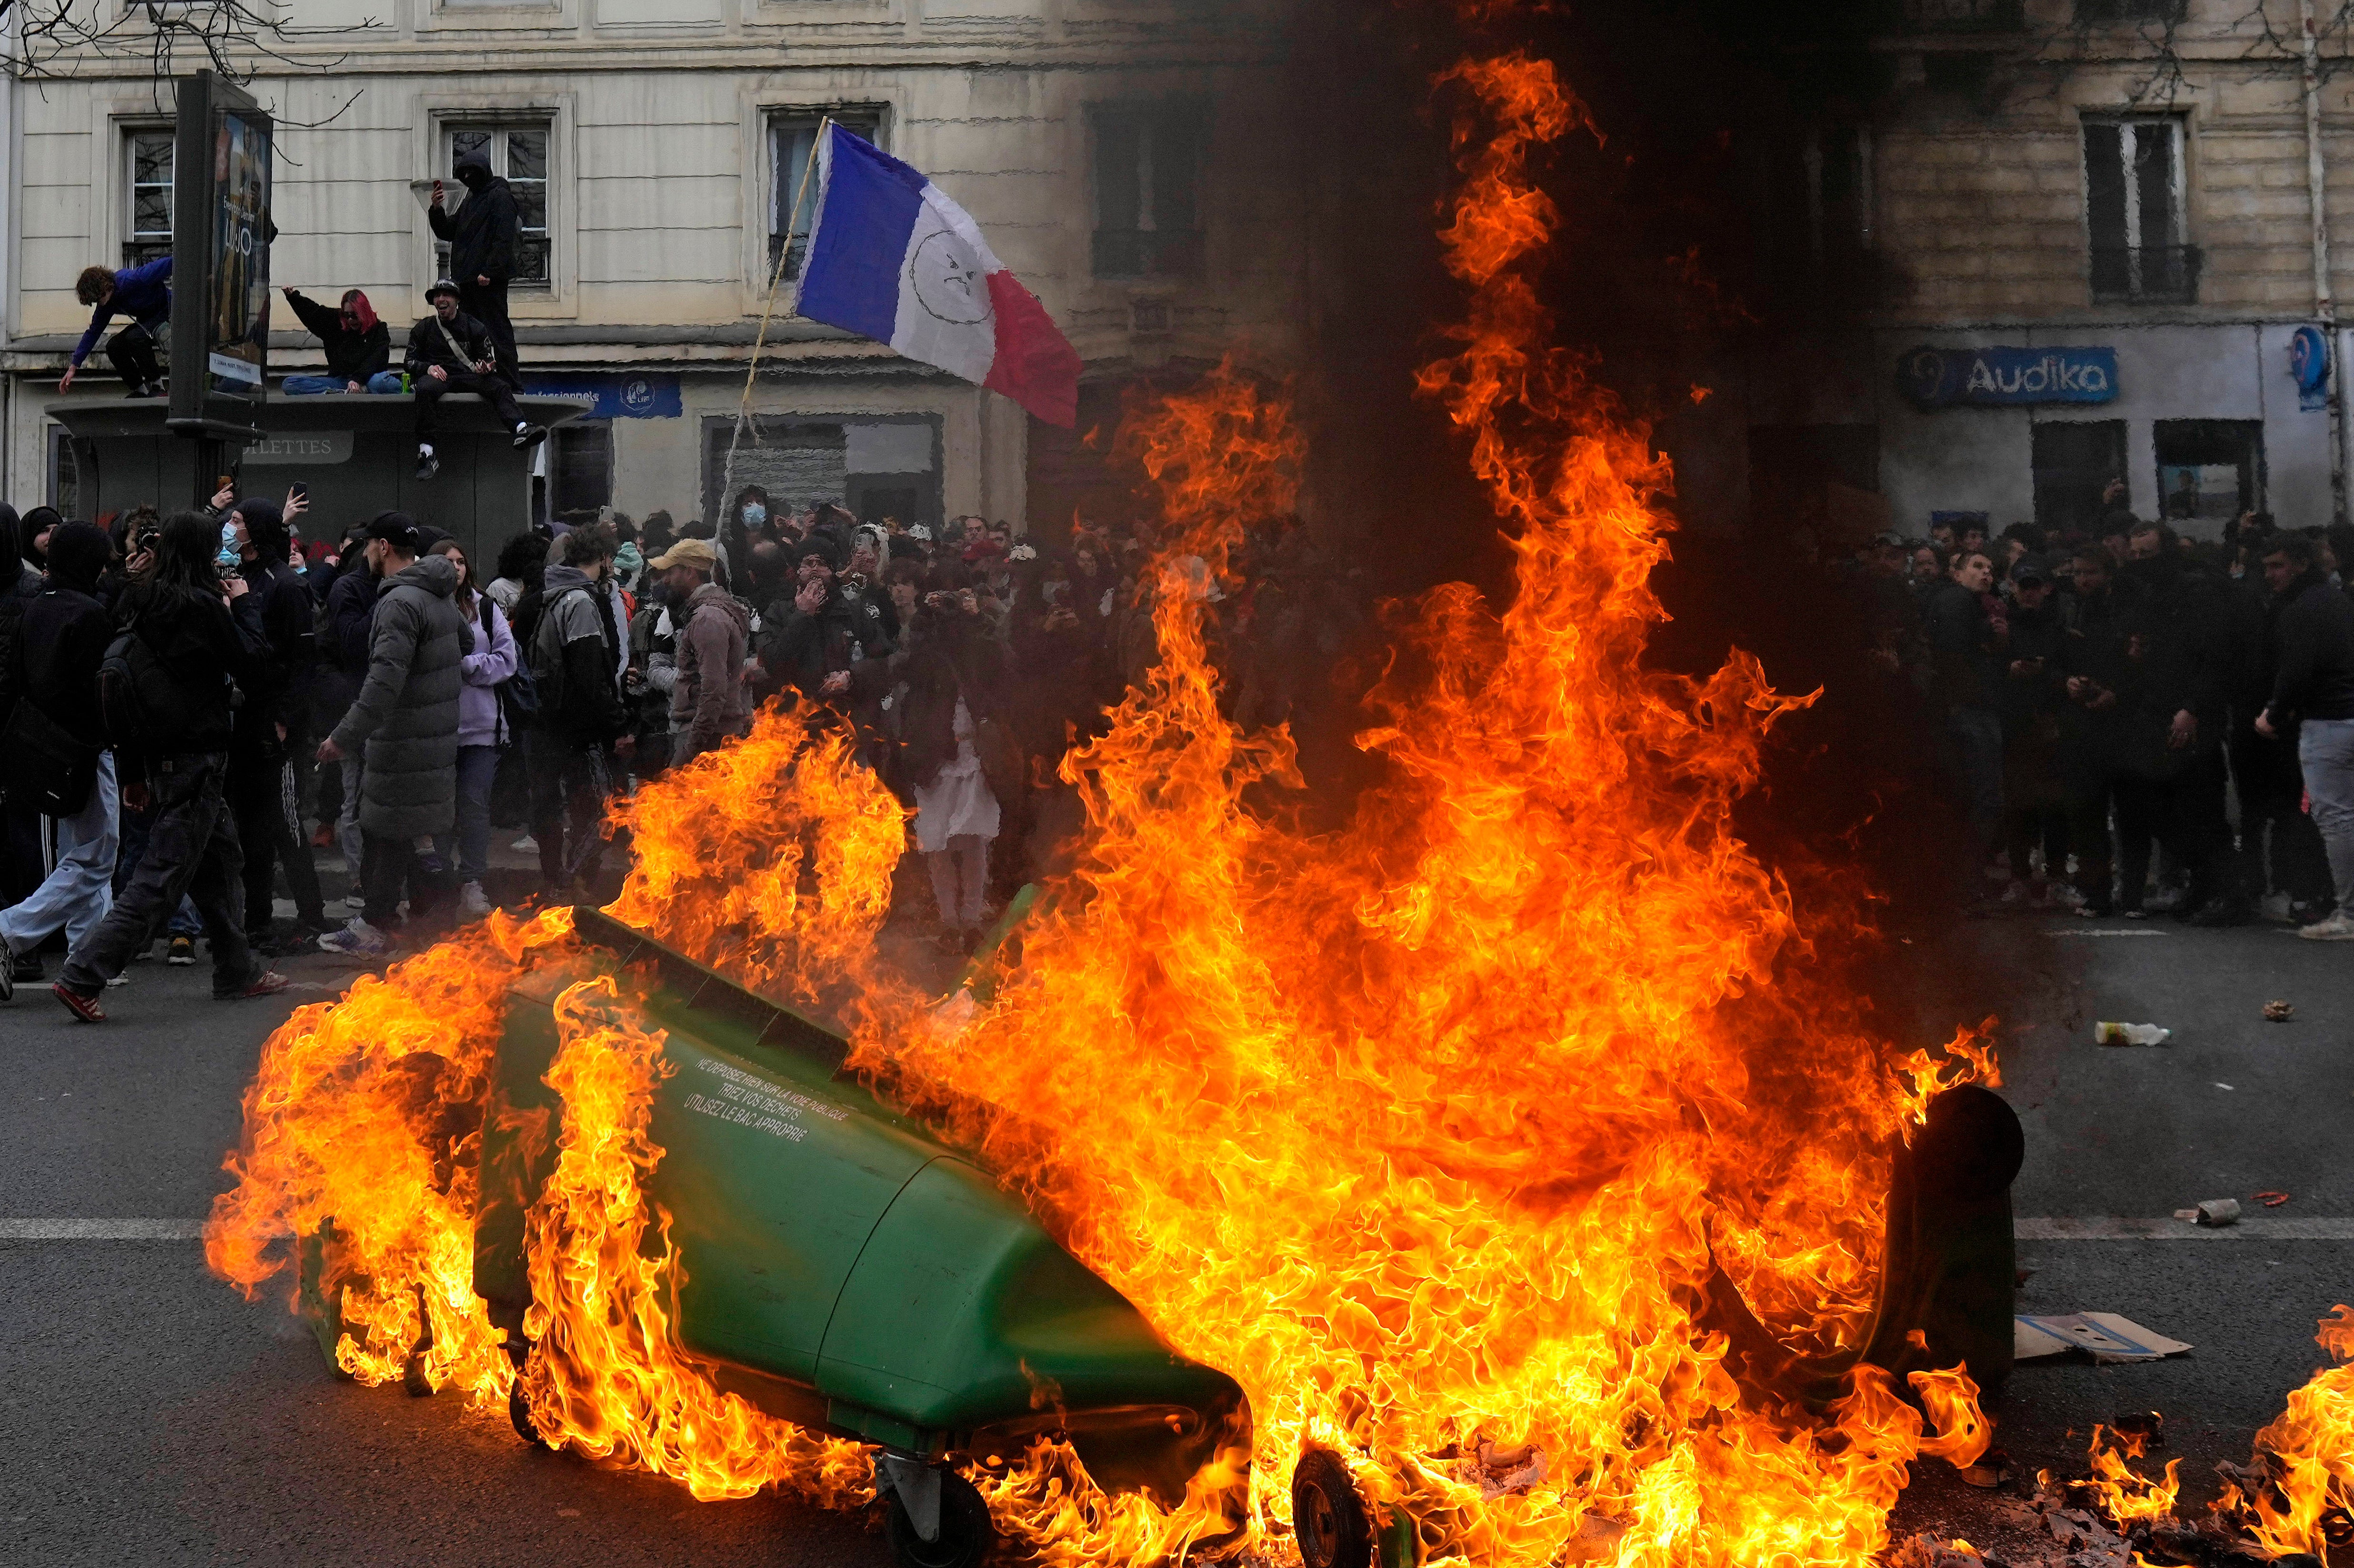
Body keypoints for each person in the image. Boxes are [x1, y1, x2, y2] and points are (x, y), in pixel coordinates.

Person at [52, 512, 290, 1020]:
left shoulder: (138, 600)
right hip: (197, 757)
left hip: (159, 755)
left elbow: (125, 683)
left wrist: (134, 771)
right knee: (161, 875)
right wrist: (245, 603)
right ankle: (83, 974)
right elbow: (252, 663)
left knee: (219, 858)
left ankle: (236, 967)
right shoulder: (202, 605)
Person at [316, 515, 465, 956]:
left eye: (367, 547)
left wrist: (342, 737)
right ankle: (435, 925)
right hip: (431, 741)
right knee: (409, 837)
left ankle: (378, 924)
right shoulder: (438, 595)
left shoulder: (399, 602)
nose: (364, 554)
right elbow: (466, 643)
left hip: (401, 743)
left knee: (384, 831)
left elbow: (383, 683)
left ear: (383, 547)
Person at [0, 523, 118, 1003]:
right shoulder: (91, 613)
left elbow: (19, 680)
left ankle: (84, 961)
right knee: (97, 855)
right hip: (86, 748)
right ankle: (9, 929)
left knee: (88, 850)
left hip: (42, 746)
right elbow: (101, 692)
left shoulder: (37, 607)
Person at [223, 495, 332, 950]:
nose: (232, 525)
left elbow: (304, 662)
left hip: (276, 728)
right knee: (250, 829)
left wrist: (287, 719)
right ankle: (256, 923)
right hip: (243, 724)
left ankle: (311, 918)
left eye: (240, 520)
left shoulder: (285, 585)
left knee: (285, 825)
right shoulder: (238, 579)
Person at [2254, 533, 2354, 939]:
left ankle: (2349, 911)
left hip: (2326, 722)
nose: (2270, 575)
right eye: (2266, 567)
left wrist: (2273, 715)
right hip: (2346, 712)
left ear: (2299, 564)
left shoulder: (2300, 610)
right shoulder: (2338, 601)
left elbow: (2295, 671)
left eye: (2277, 566)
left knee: (2335, 820)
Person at [526, 529, 633, 895]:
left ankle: (559, 879)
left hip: (551, 725)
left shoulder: (552, 595)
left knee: (560, 805)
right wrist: (617, 724)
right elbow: (589, 674)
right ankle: (572, 880)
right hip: (579, 730)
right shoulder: (581, 602)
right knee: (606, 808)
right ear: (603, 559)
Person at [427, 539, 515, 920]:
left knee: (475, 807)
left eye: (462, 561)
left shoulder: (486, 607)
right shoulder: (424, 605)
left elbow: (507, 660)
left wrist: (466, 665)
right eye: (449, 562)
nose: (457, 568)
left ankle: (472, 882)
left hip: (482, 728)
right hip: (439, 728)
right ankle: (442, 885)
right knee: (441, 811)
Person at [1923, 547, 2005, 903]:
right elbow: (1956, 656)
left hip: (1969, 710)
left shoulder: (1973, 607)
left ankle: (1963, 880)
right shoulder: (1959, 604)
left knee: (1975, 796)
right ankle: (1966, 882)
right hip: (1969, 712)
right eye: (1977, 567)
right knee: (1981, 796)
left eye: (1990, 568)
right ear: (1957, 574)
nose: (1986, 573)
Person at [406, 279, 544, 482]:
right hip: (438, 377)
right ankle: (427, 454)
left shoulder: (475, 327)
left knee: (500, 387)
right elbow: (409, 362)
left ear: (457, 301)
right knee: (425, 391)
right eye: (438, 296)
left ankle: (521, 429)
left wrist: (485, 368)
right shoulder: (423, 329)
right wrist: (428, 368)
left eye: (447, 295)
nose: (441, 300)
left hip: (468, 376)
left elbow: (487, 360)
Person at [650, 537, 752, 767]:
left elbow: (714, 690)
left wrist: (691, 749)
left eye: (670, 572)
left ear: (689, 572)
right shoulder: (706, 614)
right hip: (711, 735)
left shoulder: (708, 619)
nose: (665, 580)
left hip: (709, 741)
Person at [429, 149, 522, 387]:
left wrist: (490, 271)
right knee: (472, 335)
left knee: (497, 332)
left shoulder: (499, 196)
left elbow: (504, 237)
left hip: (486, 281)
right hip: (467, 281)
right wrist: (437, 210)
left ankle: (511, 384)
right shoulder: (472, 198)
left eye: (473, 172)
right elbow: (449, 231)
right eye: (465, 173)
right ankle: (479, 380)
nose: (469, 177)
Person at [60, 257, 172, 397]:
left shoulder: (132, 279)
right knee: (114, 346)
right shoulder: (107, 304)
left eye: (97, 300)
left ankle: (158, 387)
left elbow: (169, 263)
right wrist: (73, 367)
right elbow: (93, 332)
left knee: (135, 338)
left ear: (104, 288)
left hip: (167, 313)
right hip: (146, 322)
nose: (99, 304)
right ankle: (140, 390)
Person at [279, 287, 400, 394]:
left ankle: (408, 390)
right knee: (290, 383)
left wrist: (358, 380)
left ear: (364, 312)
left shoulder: (379, 329)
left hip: (368, 379)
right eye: (347, 315)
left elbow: (376, 359)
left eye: (355, 315)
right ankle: (338, 393)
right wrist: (293, 297)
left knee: (380, 382)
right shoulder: (337, 323)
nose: (351, 319)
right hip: (340, 382)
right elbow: (315, 314)